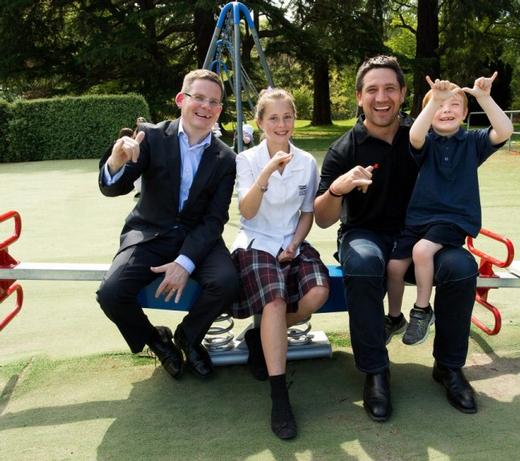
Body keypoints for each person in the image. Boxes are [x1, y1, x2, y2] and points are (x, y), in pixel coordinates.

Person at [314, 55, 481, 421]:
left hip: (421, 238)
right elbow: (324, 219)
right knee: (362, 262)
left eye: (390, 88)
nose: (381, 97)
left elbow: (467, 148)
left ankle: (449, 366)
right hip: (366, 234)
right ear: (359, 97)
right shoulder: (344, 149)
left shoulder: (425, 137)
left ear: (403, 93)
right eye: (372, 89)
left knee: (460, 265)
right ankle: (375, 370)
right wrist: (337, 191)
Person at [96, 69, 239, 381]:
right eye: (198, 97)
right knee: (111, 293)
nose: (205, 106)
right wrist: (117, 161)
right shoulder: (151, 137)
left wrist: (185, 262)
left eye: (213, 102)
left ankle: (188, 336)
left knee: (227, 281)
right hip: (150, 232)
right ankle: (156, 340)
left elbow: (214, 220)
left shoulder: (226, 159)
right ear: (181, 100)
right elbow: (112, 187)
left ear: (219, 110)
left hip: (198, 237)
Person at [230, 88, 330, 439]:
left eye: (287, 117)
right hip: (256, 242)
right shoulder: (246, 160)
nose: (281, 124)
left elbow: (307, 214)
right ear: (260, 122)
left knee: (317, 294)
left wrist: (295, 243)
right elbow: (247, 211)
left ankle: (261, 337)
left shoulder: (307, 162)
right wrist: (268, 172)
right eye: (273, 118)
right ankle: (279, 396)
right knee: (273, 300)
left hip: (292, 241)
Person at [387, 73, 513, 347]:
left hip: (454, 218)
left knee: (422, 251)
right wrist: (435, 100)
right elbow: (415, 133)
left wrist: (485, 98)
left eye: (454, 104)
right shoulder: (426, 142)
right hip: (420, 218)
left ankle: (422, 310)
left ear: (466, 113)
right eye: (439, 105)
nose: (446, 109)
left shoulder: (473, 143)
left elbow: (503, 131)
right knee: (395, 266)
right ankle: (394, 317)